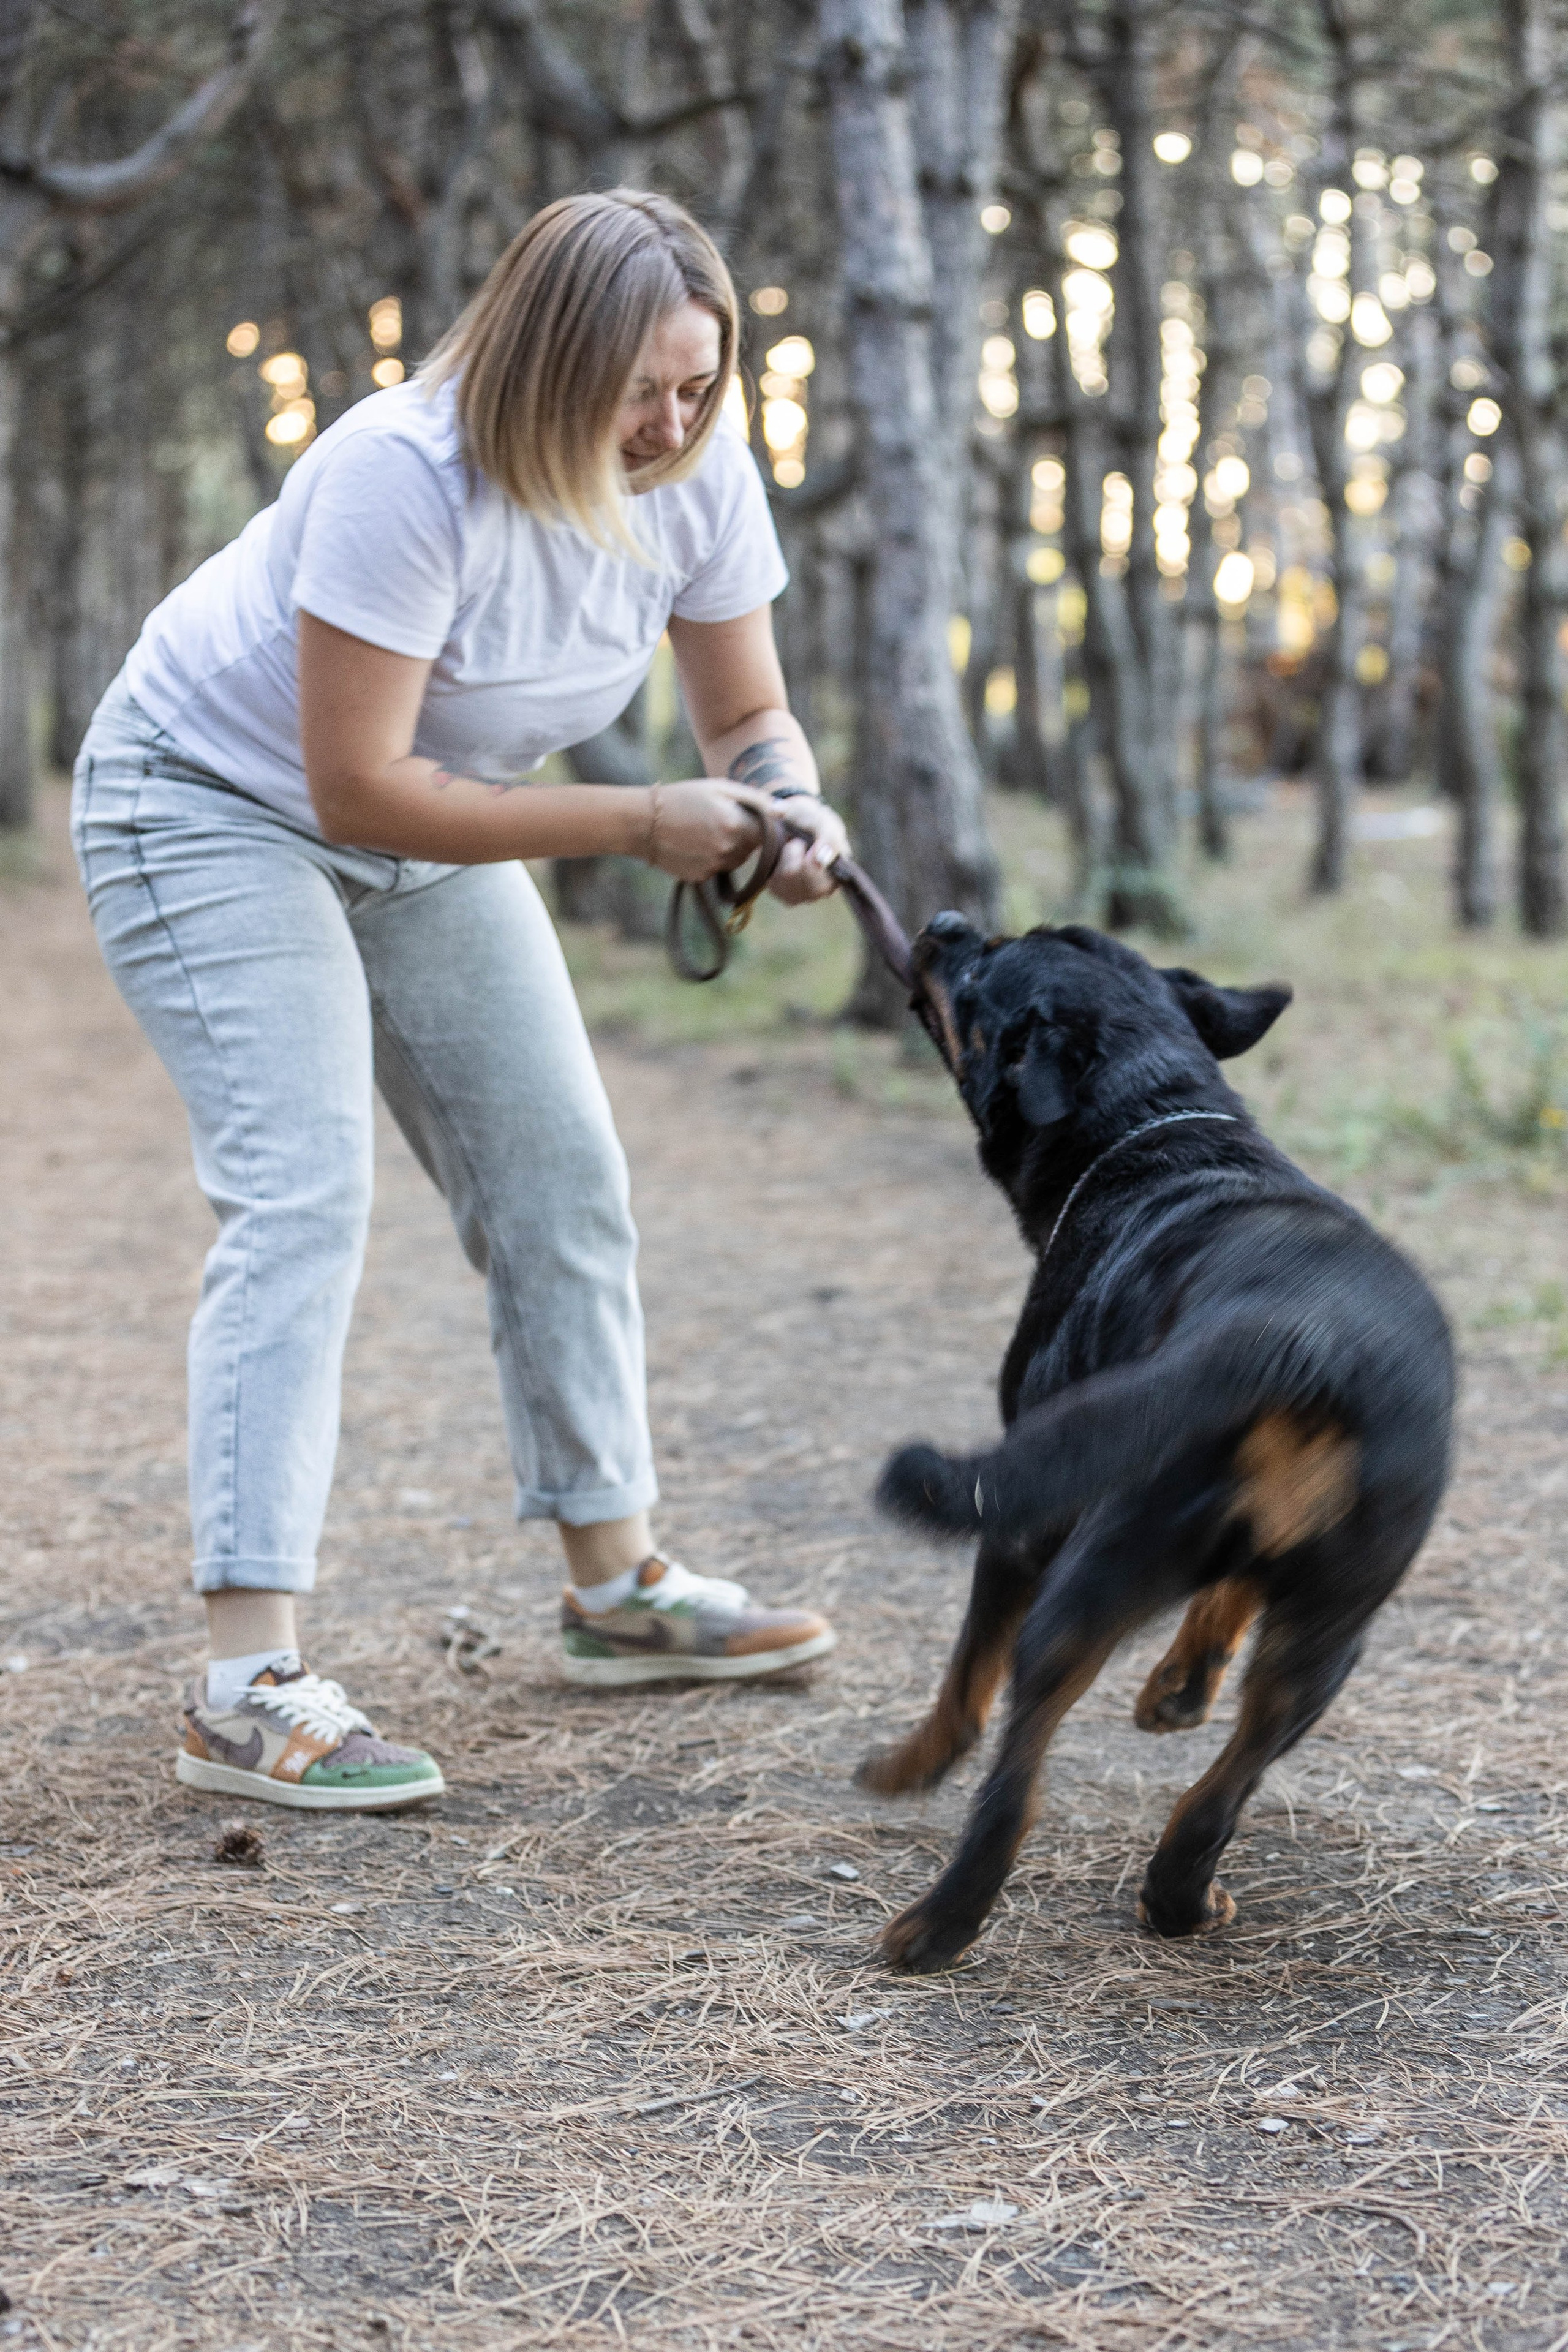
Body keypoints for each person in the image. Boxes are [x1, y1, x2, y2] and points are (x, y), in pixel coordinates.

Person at [71, 189, 847, 1812]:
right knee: (302, 1193)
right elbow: (358, 789)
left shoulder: (695, 469)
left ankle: (618, 1588)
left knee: (559, 1169)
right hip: (208, 803)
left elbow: (749, 708)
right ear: (542, 367)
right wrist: (641, 823)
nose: (676, 420)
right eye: (643, 389)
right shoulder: (401, 472)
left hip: (451, 806)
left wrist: (785, 804)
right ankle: (244, 1685)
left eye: (702, 386)